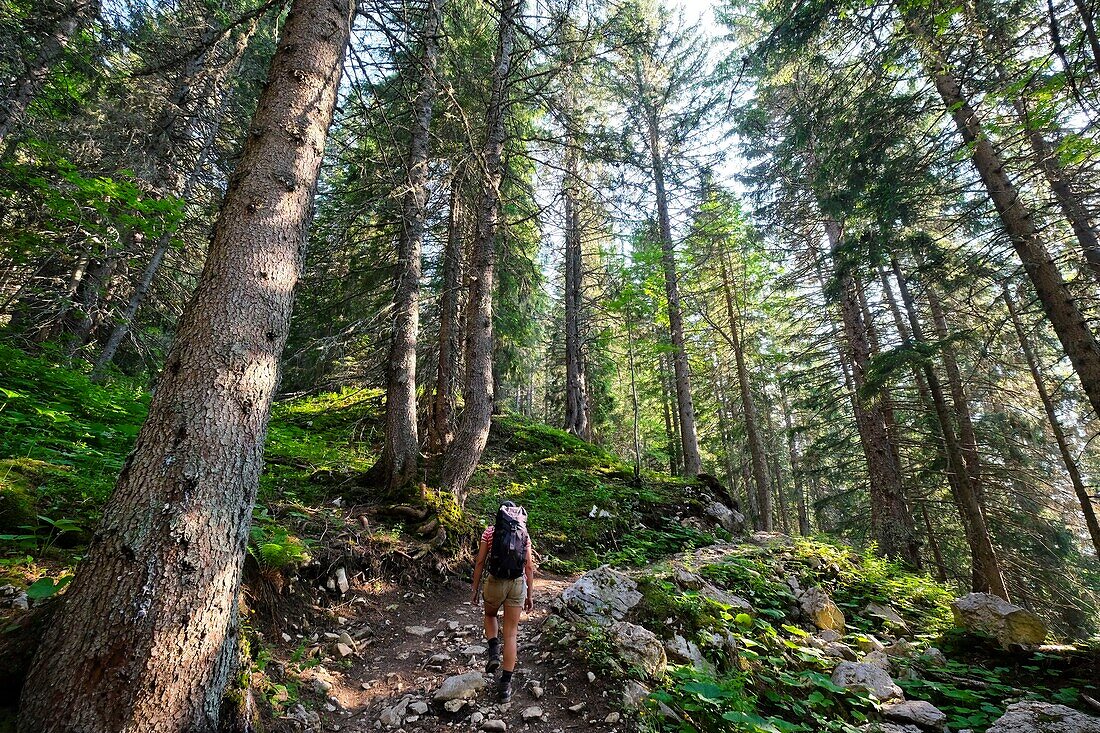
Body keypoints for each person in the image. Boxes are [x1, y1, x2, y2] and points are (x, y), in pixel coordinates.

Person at [471, 500, 535, 702]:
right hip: (517, 584)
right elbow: (529, 568)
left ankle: (493, 652)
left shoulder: (489, 532)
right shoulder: (524, 533)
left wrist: (474, 588)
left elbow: (480, 561)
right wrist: (530, 594)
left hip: (496, 581)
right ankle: (505, 686)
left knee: (490, 614)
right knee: (512, 634)